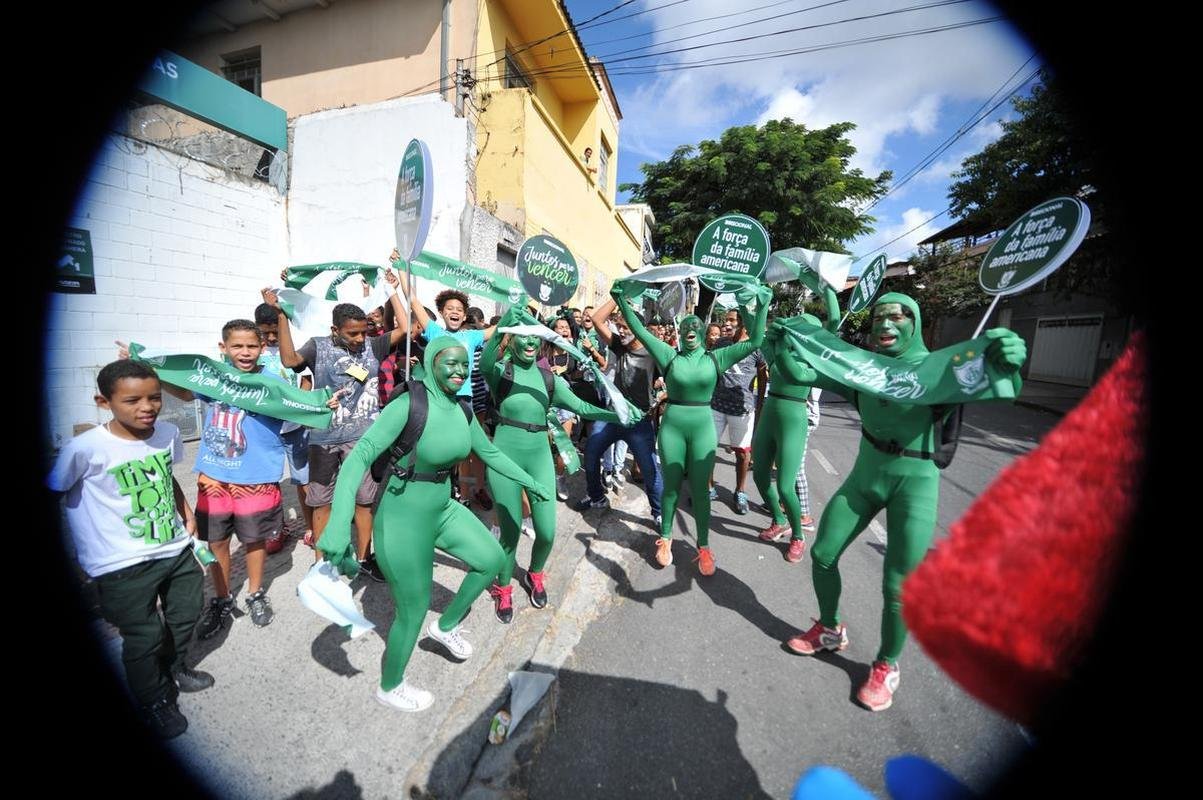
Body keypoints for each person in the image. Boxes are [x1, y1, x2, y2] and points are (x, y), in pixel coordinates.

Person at [777, 293, 1027, 711]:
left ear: (916, 322)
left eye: (898, 316)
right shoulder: (863, 367)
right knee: (822, 553)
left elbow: (1004, 388)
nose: (886, 324)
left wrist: (1008, 362)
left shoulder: (940, 368)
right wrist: (778, 343)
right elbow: (799, 372)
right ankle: (830, 629)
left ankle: (886, 664)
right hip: (864, 478)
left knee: (898, 585)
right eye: (879, 317)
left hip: (915, 485)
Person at [317, 337, 550, 712]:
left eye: (464, 364)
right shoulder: (411, 403)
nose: (460, 371)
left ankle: (444, 627)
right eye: (451, 363)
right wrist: (339, 522)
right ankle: (390, 685)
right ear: (430, 363)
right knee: (413, 608)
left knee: (491, 559)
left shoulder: (463, 409)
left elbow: (489, 453)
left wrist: (532, 482)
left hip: (442, 506)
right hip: (401, 515)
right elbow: (359, 457)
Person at [48, 360, 213, 739]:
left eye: (154, 398)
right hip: (119, 564)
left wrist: (186, 512)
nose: (147, 407)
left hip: (174, 548)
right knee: (144, 636)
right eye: (132, 400)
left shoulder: (168, 433)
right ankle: (153, 698)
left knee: (187, 613)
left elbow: (164, 474)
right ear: (103, 402)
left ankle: (174, 667)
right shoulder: (84, 449)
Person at [481, 307, 639, 622]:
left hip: (539, 454)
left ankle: (535, 573)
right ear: (512, 340)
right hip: (504, 456)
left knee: (547, 531)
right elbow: (486, 359)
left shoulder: (548, 378)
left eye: (534, 338)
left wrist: (618, 415)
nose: (529, 343)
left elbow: (581, 407)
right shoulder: (500, 371)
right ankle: (503, 586)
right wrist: (507, 323)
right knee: (510, 531)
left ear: (541, 342)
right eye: (523, 337)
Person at [611, 280, 771, 575]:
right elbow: (641, 331)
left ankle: (704, 545)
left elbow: (756, 340)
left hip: (702, 429)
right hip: (672, 428)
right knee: (671, 486)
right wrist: (620, 300)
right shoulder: (668, 355)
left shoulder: (717, 357)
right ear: (681, 332)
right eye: (687, 327)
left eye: (696, 327)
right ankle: (666, 537)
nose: (691, 330)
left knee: (700, 489)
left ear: (704, 332)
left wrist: (761, 305)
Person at [266, 268, 409, 582]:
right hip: (324, 440)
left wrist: (392, 289)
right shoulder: (317, 346)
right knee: (322, 501)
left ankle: (365, 557)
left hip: (363, 440)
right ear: (335, 330)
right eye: (352, 334)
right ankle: (321, 562)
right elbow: (289, 361)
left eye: (362, 332)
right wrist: (281, 315)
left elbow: (405, 328)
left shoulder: (374, 346)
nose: (359, 339)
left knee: (364, 500)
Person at [753, 282, 840, 562]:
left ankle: (798, 536)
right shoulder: (779, 350)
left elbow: (834, 321)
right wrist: (758, 304)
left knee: (785, 485)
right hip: (769, 413)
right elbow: (756, 334)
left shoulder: (814, 358)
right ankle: (779, 520)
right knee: (759, 476)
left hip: (794, 419)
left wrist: (826, 287)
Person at [575, 297, 664, 528]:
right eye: (620, 326)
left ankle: (659, 512)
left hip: (639, 421)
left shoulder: (653, 352)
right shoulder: (619, 346)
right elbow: (597, 319)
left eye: (626, 327)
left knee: (649, 469)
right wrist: (617, 296)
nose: (621, 331)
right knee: (591, 454)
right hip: (612, 416)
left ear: (638, 329)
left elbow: (674, 377)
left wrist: (662, 394)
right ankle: (597, 497)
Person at [708, 308, 768, 515]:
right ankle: (709, 487)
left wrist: (759, 408)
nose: (727, 324)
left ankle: (740, 492)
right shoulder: (721, 343)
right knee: (707, 449)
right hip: (716, 406)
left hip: (742, 410)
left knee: (742, 455)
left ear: (743, 323)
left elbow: (763, 379)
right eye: (726, 320)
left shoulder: (756, 347)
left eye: (732, 320)